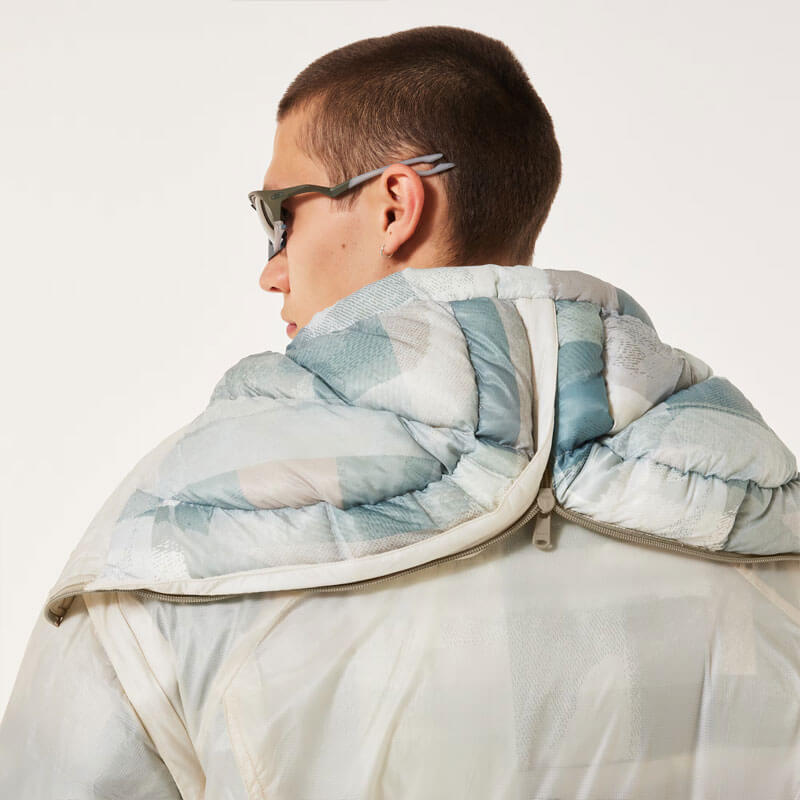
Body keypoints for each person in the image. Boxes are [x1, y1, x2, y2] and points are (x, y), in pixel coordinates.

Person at [2, 24, 799, 800]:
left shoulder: (171, 530)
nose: (272, 271)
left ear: (394, 206)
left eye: (282, 213)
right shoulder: (764, 512)